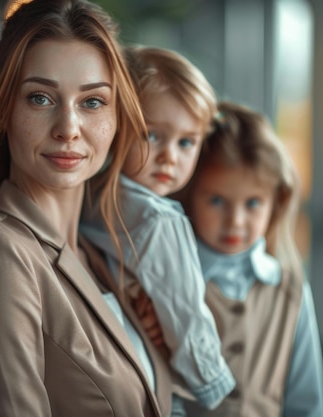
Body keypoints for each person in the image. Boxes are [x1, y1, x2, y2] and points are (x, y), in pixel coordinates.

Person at [0, 1, 174, 416]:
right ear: (3, 110)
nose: (68, 128)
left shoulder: (103, 255)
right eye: (40, 98)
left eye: (93, 102)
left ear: (118, 118)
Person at [81, 45, 235, 413]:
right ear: (117, 125)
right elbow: (186, 313)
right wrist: (214, 383)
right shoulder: (160, 221)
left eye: (186, 142)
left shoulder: (86, 194)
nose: (170, 156)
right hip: (154, 386)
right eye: (153, 135)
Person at [177, 100, 323, 417]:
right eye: (217, 200)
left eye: (253, 203)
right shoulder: (169, 280)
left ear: (277, 202)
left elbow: (307, 404)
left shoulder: (291, 289)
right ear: (190, 194)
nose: (235, 221)